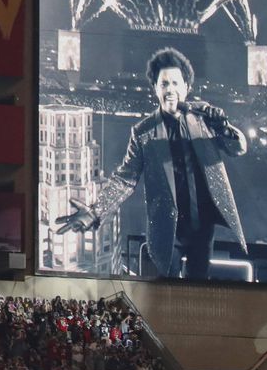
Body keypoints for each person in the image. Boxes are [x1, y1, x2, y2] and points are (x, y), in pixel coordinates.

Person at [56, 47, 247, 279]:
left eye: (176, 83)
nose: (170, 90)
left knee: (198, 291)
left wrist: (224, 128)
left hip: (203, 226)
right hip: (167, 230)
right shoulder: (143, 132)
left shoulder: (205, 119)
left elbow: (237, 149)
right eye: (164, 84)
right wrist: (95, 211)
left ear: (186, 88)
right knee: (164, 295)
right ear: (155, 88)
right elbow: (125, 179)